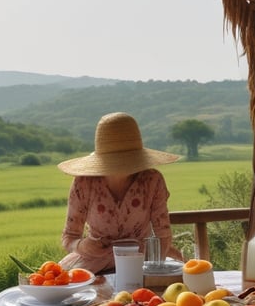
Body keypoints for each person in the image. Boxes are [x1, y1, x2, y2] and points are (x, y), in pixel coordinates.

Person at [57, 112, 183, 274]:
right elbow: (69, 238)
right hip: (93, 264)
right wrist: (84, 246)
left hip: (142, 261)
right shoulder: (84, 183)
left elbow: (163, 235)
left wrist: (155, 267)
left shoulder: (152, 180)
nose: (122, 166)